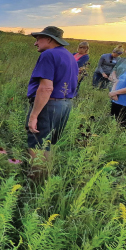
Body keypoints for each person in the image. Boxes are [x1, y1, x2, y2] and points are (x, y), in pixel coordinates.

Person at [26, 26, 78, 162]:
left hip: (48, 105)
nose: (35, 43)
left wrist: (34, 116)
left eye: (38, 39)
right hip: (65, 105)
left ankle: (36, 179)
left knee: (37, 144)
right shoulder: (69, 56)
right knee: (48, 144)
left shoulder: (48, 54)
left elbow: (46, 88)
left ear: (49, 39)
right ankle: (45, 176)